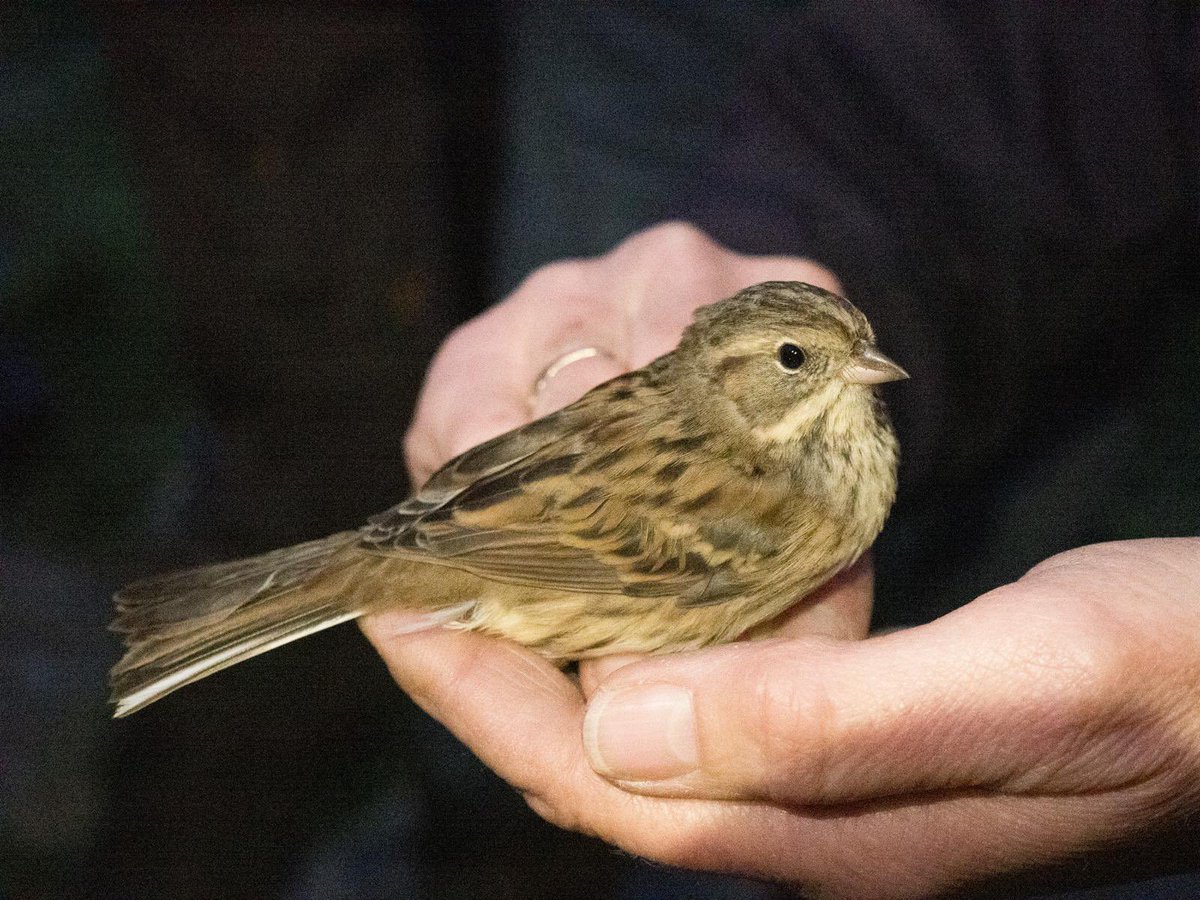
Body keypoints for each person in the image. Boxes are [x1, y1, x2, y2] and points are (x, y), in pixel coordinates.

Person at [367, 4, 1200, 897]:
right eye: (801, 362)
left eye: (856, 350)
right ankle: (472, 850)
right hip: (521, 558)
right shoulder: (776, 504)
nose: (871, 370)